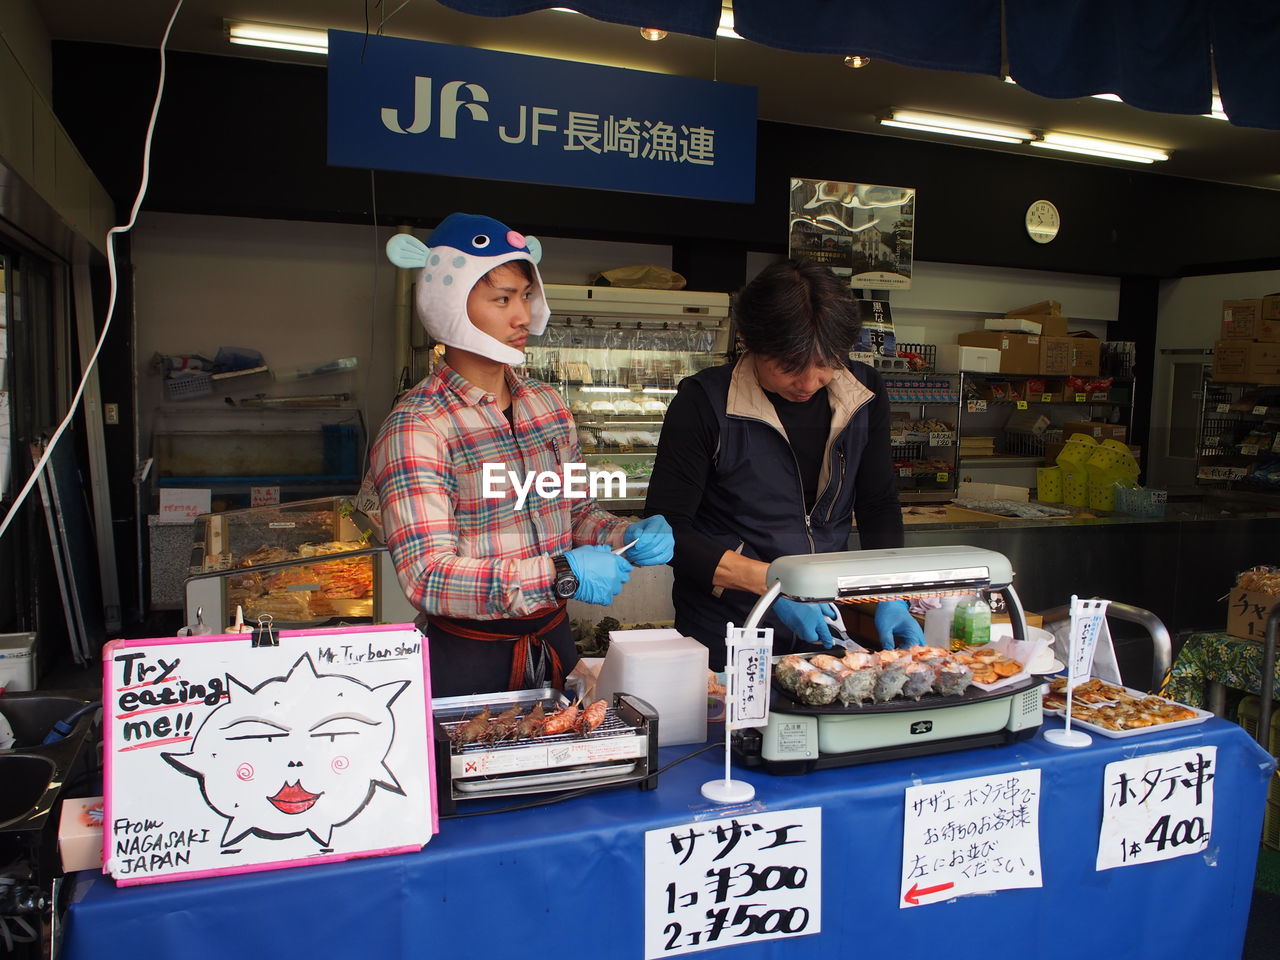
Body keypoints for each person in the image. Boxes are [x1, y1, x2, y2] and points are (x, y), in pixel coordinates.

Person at [370, 213, 673, 697]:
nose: (523, 317)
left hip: (555, 643)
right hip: (469, 660)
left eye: (527, 296)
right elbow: (428, 576)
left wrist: (625, 533)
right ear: (450, 304)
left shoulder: (546, 405)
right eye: (502, 299)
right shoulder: (418, 426)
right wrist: (562, 573)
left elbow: (574, 514)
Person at [643, 258, 924, 670]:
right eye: (790, 367)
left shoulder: (864, 392)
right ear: (752, 343)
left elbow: (878, 500)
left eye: (827, 364)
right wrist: (775, 586)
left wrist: (890, 590)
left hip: (826, 615)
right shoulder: (703, 401)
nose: (809, 383)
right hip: (727, 623)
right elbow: (669, 530)